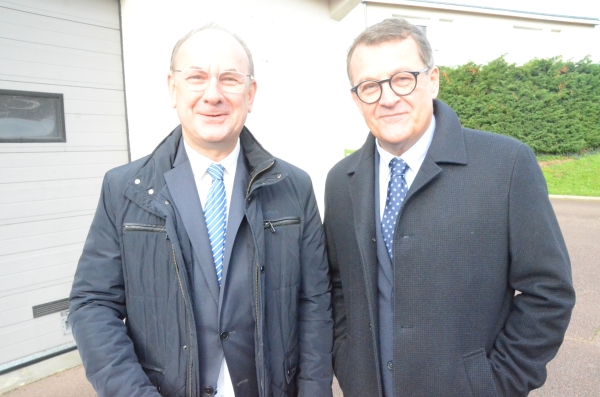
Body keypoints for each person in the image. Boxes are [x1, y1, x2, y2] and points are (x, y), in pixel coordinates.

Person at [69, 24, 333, 397]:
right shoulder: (124, 189)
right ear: (172, 88)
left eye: (229, 79)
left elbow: (315, 304)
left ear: (250, 92)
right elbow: (92, 304)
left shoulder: (294, 187)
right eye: (196, 78)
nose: (213, 95)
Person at [324, 18, 575, 397]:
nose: (388, 97)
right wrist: (347, 359)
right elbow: (339, 285)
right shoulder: (340, 180)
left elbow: (548, 292)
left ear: (433, 79)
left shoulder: (506, 165)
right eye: (370, 86)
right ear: (356, 98)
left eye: (403, 78)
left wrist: (495, 384)